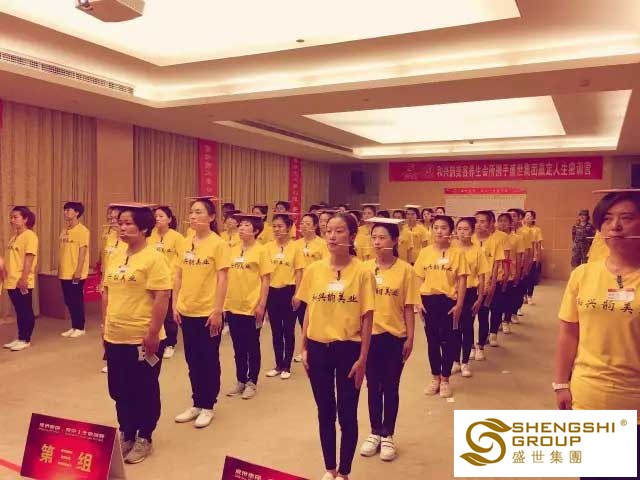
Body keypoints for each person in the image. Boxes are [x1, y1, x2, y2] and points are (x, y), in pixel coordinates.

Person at [555, 190, 640, 478]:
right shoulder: (583, 275)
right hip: (589, 397)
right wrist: (560, 383)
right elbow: (568, 333)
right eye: (607, 219)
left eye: (626, 218)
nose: (615, 226)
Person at [296, 213, 375, 480]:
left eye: (339, 231)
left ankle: (345, 472)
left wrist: (363, 358)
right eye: (329, 230)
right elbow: (310, 309)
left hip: (349, 349)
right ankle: (330, 468)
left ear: (352, 236)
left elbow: (367, 317)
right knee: (325, 411)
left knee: (347, 414)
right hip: (318, 348)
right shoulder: (314, 270)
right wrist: (303, 347)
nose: (331, 236)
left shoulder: (363, 271)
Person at [101, 203, 171, 464]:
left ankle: (145, 436)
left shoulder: (154, 258)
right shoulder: (116, 255)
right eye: (120, 223)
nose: (122, 227)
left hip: (141, 338)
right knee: (119, 389)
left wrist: (152, 333)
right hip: (114, 335)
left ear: (143, 227)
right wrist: (104, 328)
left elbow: (162, 296)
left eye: (128, 223)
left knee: (144, 388)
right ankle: (127, 431)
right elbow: (106, 291)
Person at [359, 217, 417, 462]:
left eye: (382, 237)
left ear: (394, 241)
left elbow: (408, 306)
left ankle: (388, 435)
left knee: (391, 386)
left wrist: (410, 337)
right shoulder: (363, 269)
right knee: (373, 385)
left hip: (394, 336)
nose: (377, 242)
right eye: (374, 237)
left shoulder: (406, 270)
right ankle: (374, 432)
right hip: (369, 337)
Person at [173, 198, 230, 428]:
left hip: (208, 312)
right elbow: (178, 275)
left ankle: (208, 405)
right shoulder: (185, 242)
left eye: (198, 212)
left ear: (211, 217)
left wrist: (217, 310)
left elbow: (223, 279)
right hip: (187, 310)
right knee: (192, 359)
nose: (193, 216)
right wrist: (175, 304)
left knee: (208, 359)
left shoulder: (218, 244)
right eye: (191, 212)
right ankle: (196, 402)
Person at [414, 215, 467, 398]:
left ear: (450, 231)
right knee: (432, 341)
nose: (439, 231)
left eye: (443, 227)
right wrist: (418, 302)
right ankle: (435, 378)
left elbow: (462, 280)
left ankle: (445, 380)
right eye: (435, 227)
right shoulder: (425, 252)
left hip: (448, 302)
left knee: (449, 341)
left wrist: (459, 304)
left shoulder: (457, 253)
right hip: (428, 301)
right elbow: (418, 278)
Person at [224, 213, 273, 400]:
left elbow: (265, 280)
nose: (241, 228)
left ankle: (252, 381)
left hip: (252, 307)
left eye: (246, 225)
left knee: (252, 345)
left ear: (256, 230)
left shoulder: (261, 251)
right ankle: (240, 380)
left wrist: (262, 305)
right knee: (238, 346)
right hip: (233, 305)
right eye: (241, 225)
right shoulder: (233, 249)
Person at [265, 213, 304, 379]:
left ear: (288, 228)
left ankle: (287, 365)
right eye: (274, 226)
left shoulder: (295, 248)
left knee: (288, 330)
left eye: (280, 226)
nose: (276, 229)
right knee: (275, 330)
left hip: (289, 291)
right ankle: (278, 364)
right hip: (272, 291)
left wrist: (298, 294)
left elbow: (299, 271)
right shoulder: (268, 247)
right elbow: (265, 273)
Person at [451, 217, 488, 378]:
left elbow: (481, 275)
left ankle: (465, 362)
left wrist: (480, 298)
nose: (462, 232)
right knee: (453, 328)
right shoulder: (451, 248)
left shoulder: (477, 251)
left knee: (467, 327)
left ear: (472, 231)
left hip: (470, 293)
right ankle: (455, 361)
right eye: (459, 229)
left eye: (466, 229)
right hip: (452, 293)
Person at [147, 206, 184, 359]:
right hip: (152, 280)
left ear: (169, 219)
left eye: (161, 216)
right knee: (153, 312)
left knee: (169, 315)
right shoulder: (150, 235)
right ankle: (156, 339)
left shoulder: (177, 237)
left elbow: (182, 260)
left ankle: (170, 343)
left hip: (170, 280)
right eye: (156, 216)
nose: (158, 219)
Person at [293, 213, 328, 363]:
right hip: (299, 286)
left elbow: (326, 267)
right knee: (302, 320)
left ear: (315, 226)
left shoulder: (322, 244)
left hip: (316, 287)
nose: (304, 226)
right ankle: (304, 347)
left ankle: (313, 347)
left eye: (308, 224)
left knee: (314, 318)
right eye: (302, 223)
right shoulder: (296, 244)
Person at [3, 206, 38, 352]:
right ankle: (20, 337)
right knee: (19, 310)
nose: (12, 220)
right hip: (11, 280)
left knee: (25, 310)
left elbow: (29, 259)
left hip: (21, 280)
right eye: (11, 217)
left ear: (25, 219)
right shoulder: (14, 237)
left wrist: (24, 278)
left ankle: (26, 339)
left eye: (15, 217)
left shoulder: (30, 236)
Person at [471, 210, 505, 361]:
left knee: (483, 316)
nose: (479, 224)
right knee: (468, 320)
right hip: (470, 286)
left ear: (490, 223)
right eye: (476, 221)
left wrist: (492, 285)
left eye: (483, 221)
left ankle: (480, 346)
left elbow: (497, 265)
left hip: (486, 285)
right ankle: (470, 347)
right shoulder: (469, 240)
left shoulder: (495, 242)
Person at [59, 201, 90, 338]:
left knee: (76, 300)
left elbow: (83, 252)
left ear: (77, 212)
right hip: (64, 272)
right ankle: (74, 326)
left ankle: (80, 327)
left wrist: (78, 271)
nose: (65, 212)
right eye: (65, 210)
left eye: (68, 210)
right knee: (68, 300)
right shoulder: (64, 230)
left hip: (76, 272)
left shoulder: (83, 231)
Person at [495, 213, 525, 334]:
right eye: (500, 221)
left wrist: (518, 273)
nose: (502, 223)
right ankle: (497, 323)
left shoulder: (517, 238)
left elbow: (519, 258)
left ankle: (506, 321)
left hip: (511, 273)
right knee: (498, 301)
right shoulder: (494, 238)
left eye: (505, 221)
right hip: (497, 274)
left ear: (510, 223)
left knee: (508, 298)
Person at [508, 208, 534, 316]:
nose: (511, 218)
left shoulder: (526, 232)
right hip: (508, 266)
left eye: (514, 216)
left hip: (521, 265)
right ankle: (506, 313)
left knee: (519, 291)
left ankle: (515, 310)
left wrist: (526, 267)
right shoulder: (505, 232)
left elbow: (528, 250)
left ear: (520, 218)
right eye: (510, 216)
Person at [523, 210, 543, 304]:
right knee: (524, 278)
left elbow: (539, 244)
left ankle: (530, 296)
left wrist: (538, 257)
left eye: (530, 216)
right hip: (523, 257)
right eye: (526, 216)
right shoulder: (521, 229)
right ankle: (524, 296)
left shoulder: (537, 230)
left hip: (533, 257)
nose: (527, 218)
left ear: (533, 218)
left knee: (531, 277)